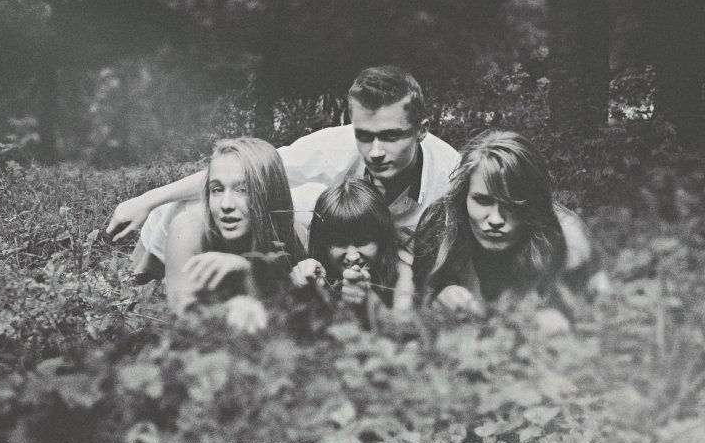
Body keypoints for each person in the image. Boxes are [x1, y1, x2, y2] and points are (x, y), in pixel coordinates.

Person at [106, 65, 461, 309]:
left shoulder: (449, 176)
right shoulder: (334, 146)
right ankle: (135, 283)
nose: (376, 152)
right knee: (186, 207)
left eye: (391, 136)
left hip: (389, 265)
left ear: (422, 131)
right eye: (364, 136)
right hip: (329, 250)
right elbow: (246, 171)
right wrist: (148, 199)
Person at [412, 130, 603, 330]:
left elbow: (591, 317)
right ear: (464, 196)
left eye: (511, 204)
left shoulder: (566, 238)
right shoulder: (439, 225)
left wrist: (553, 315)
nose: (495, 220)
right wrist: (440, 292)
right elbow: (418, 301)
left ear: (534, 204)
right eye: (482, 200)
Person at [163, 138, 304, 318]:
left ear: (269, 193)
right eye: (217, 190)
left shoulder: (293, 233)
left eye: (243, 190)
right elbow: (187, 323)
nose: (226, 204)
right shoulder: (188, 230)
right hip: (157, 237)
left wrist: (247, 274)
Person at [290, 179, 400, 329]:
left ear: (382, 238)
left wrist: (369, 304)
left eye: (363, 242)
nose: (352, 257)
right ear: (323, 243)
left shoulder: (403, 279)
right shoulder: (312, 274)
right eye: (339, 243)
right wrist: (299, 294)